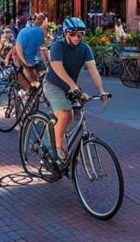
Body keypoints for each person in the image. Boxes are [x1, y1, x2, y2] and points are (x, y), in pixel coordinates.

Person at [44, 17, 107, 160]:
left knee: (71, 117)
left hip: (70, 87)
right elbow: (57, 67)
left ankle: (51, 139)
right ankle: (57, 148)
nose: (77, 38)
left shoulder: (85, 48)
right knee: (65, 114)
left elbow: (92, 68)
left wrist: (101, 90)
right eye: (72, 34)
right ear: (66, 34)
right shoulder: (58, 46)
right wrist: (73, 85)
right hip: (53, 85)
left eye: (80, 35)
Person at [12, 13, 48, 90]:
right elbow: (19, 48)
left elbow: (44, 50)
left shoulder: (28, 32)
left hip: (32, 61)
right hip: (24, 61)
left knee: (38, 81)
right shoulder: (28, 32)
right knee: (30, 83)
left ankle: (29, 92)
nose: (47, 32)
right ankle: (25, 94)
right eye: (46, 29)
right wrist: (24, 61)